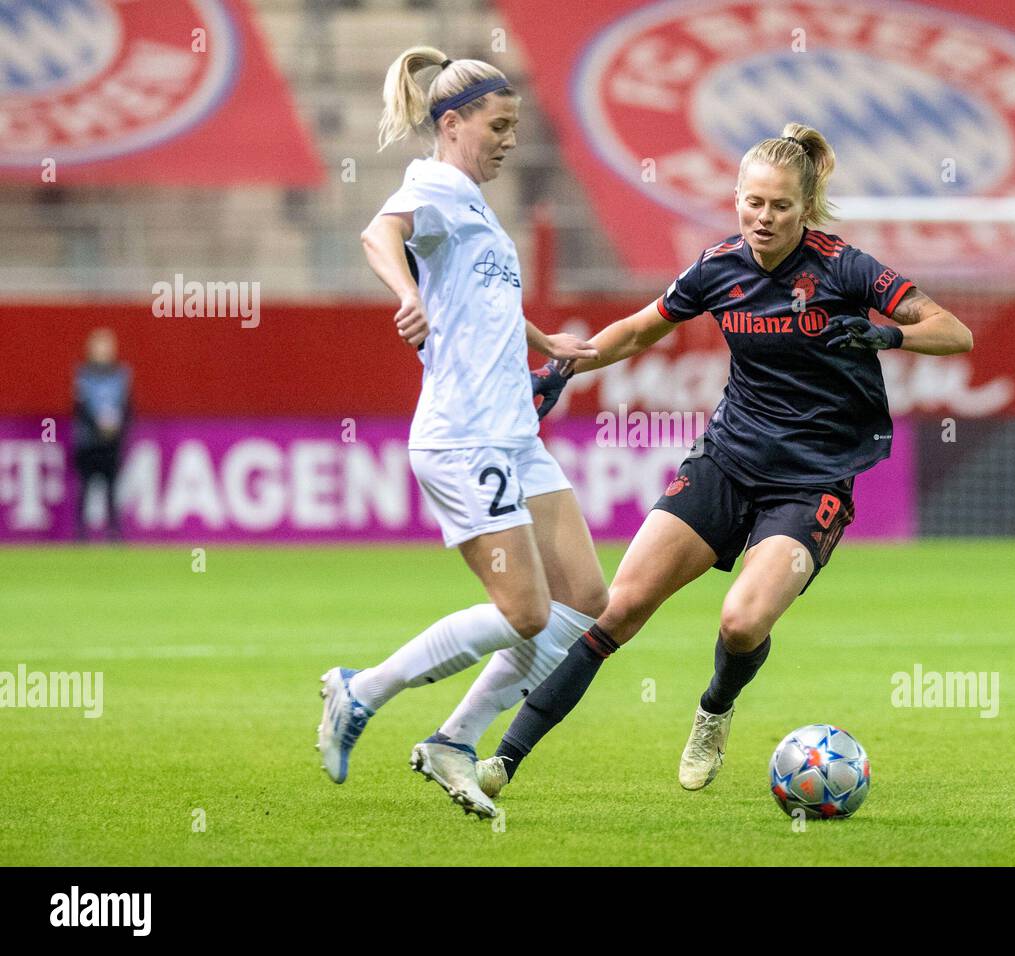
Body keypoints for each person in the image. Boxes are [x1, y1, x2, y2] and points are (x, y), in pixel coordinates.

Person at [476, 122, 974, 805]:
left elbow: (955, 331)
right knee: (617, 609)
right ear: (736, 198)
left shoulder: (844, 267)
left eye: (780, 207)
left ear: (806, 210)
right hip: (727, 462)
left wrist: (887, 332)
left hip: (811, 483)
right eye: (753, 203)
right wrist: (566, 364)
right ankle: (503, 760)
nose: (763, 218)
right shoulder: (719, 267)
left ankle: (714, 709)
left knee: (741, 623)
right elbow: (642, 327)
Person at [316, 46, 608, 819]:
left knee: (585, 598)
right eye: (499, 125)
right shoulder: (437, 185)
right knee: (528, 613)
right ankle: (361, 690)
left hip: (513, 435)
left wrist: (547, 346)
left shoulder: (476, 206)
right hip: (465, 437)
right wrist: (405, 294)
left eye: (515, 125)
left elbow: (483, 305)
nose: (510, 140)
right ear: (453, 124)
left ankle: (454, 739)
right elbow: (380, 236)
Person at [72, 328, 131, 541]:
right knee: (86, 487)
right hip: (89, 442)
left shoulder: (121, 375)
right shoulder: (83, 375)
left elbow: (127, 407)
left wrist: (116, 430)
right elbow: (80, 407)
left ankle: (114, 531)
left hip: (111, 442)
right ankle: (80, 532)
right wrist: (98, 426)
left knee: (112, 488)